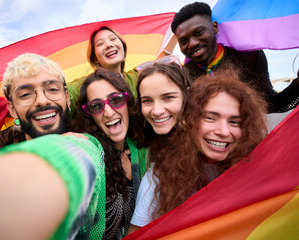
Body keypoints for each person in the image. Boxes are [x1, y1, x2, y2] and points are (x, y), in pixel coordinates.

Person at [128, 68, 268, 233]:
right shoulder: (160, 178)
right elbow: (137, 235)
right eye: (210, 118)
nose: (223, 131)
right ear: (190, 119)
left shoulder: (260, 168)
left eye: (235, 122)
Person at [170, 1, 299, 113]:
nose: (192, 44)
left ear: (214, 27)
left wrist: (297, 84)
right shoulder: (184, 75)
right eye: (184, 41)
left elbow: (270, 105)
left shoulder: (248, 57)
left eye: (199, 33)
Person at [74, 68, 146, 239]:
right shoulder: (88, 154)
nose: (108, 112)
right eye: (96, 106)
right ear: (89, 115)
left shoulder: (142, 149)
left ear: (127, 102)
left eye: (115, 100)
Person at [0, 53, 72, 160]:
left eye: (52, 89)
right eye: (25, 94)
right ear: (12, 109)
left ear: (67, 98)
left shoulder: (85, 128)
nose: (42, 101)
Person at [67, 26, 174, 116]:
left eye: (113, 39)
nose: (108, 45)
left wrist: (176, 34)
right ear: (95, 58)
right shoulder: (86, 85)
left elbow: (159, 62)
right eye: (100, 44)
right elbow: (62, 93)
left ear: (122, 47)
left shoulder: (135, 76)